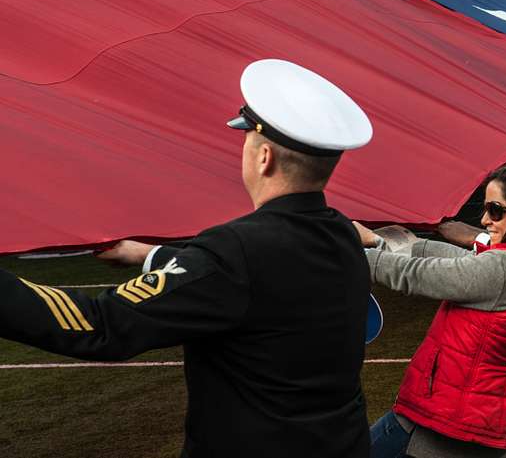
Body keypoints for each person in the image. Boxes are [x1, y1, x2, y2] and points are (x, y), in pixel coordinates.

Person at [0, 59, 375, 458]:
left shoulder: (235, 250)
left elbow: (100, 325)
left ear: (264, 156)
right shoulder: (341, 233)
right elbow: (264, 280)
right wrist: (148, 255)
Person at [362, 161, 506, 458]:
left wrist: (352, 252)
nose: (485, 219)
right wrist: (382, 241)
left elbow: (420, 274)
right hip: (494, 418)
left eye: (496, 210)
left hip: (450, 420)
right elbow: (467, 265)